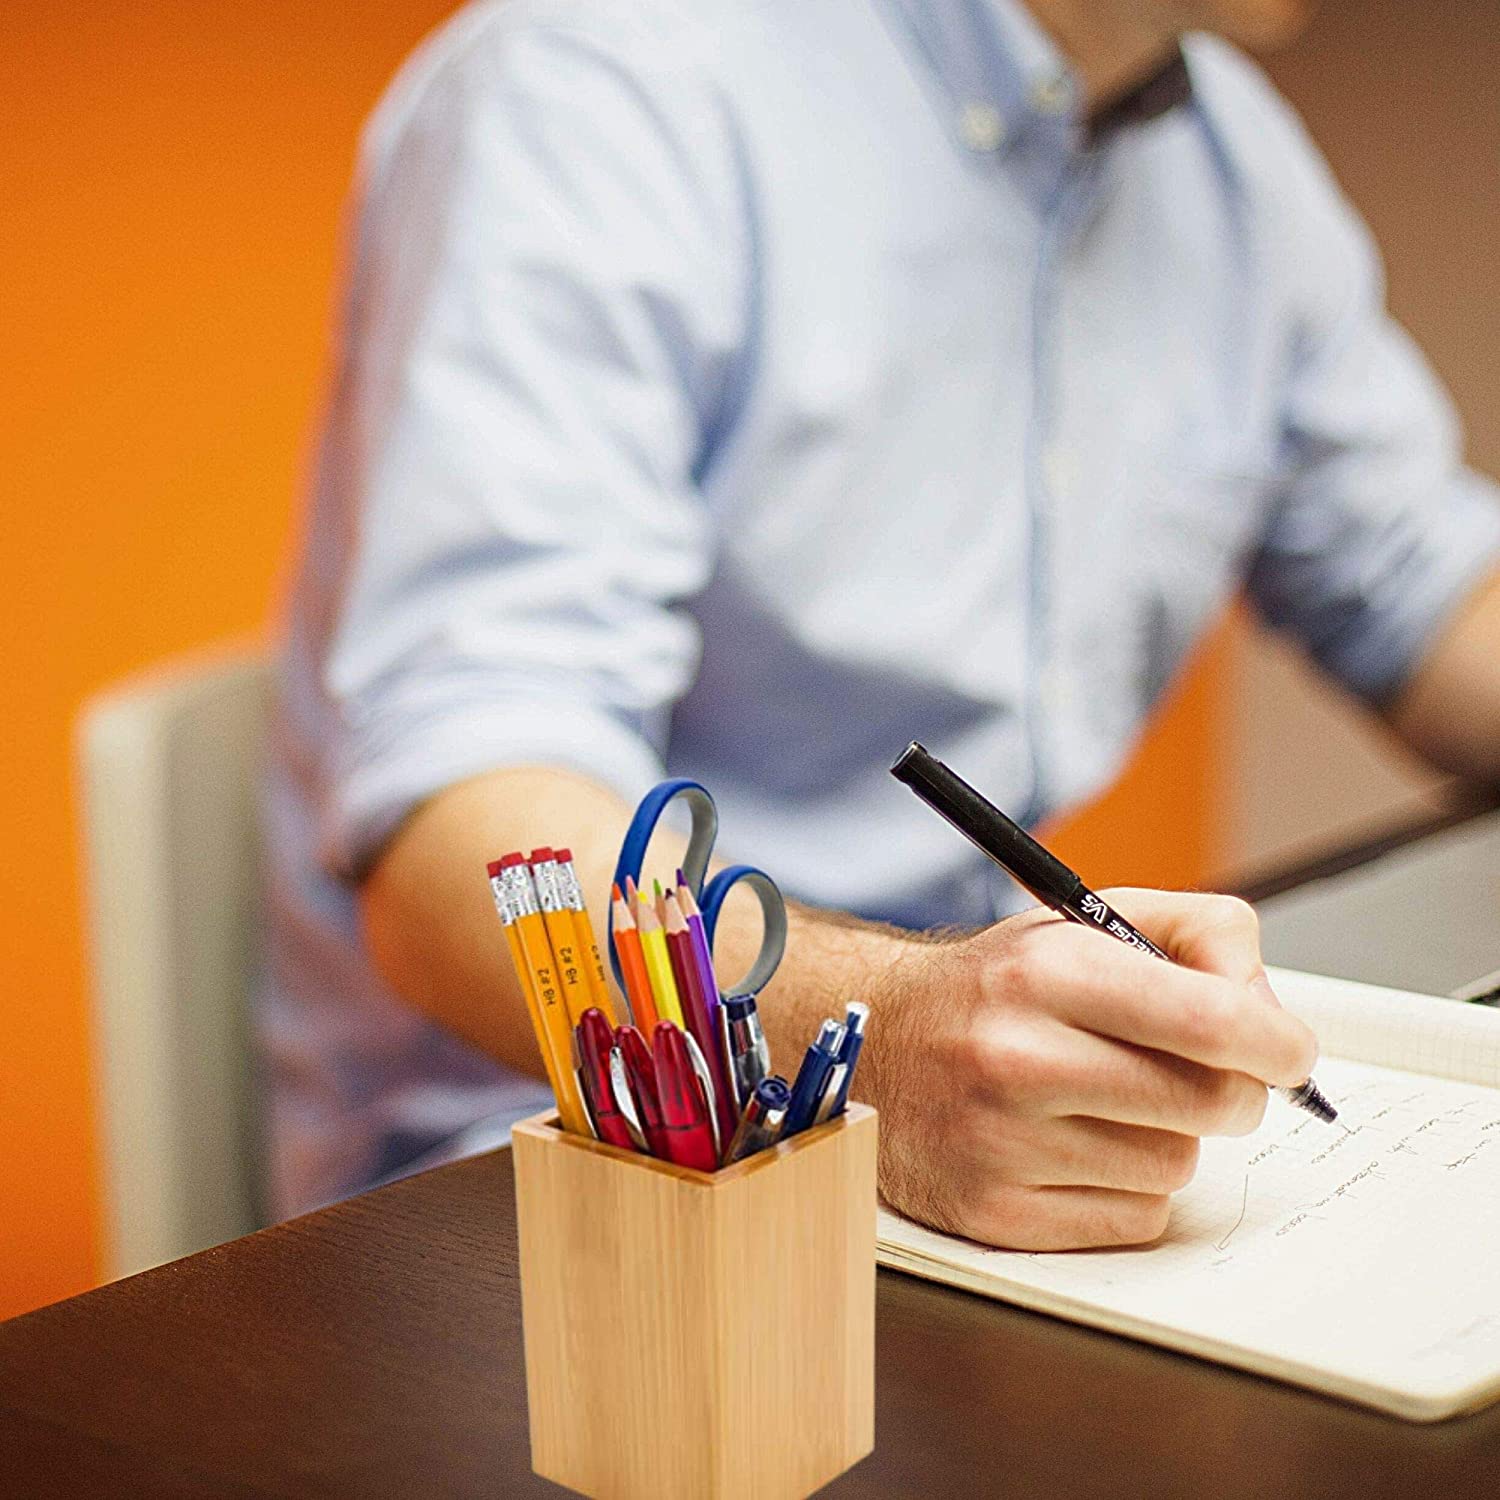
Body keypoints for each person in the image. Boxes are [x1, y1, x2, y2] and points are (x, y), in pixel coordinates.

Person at [259, 0, 1500, 1247]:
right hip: (559, 1169)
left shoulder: (1231, 167)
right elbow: (456, 853)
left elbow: (1425, 589)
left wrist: (917, 1045)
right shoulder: (604, 86)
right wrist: (886, 1042)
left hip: (945, 1123)